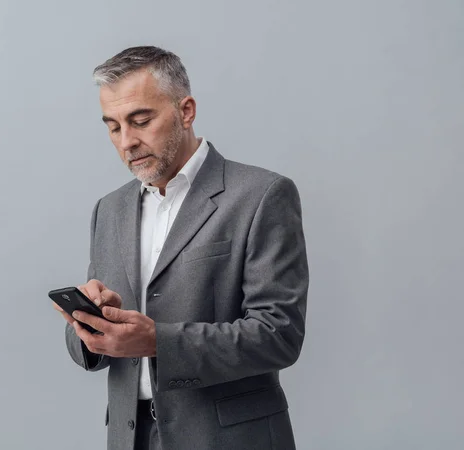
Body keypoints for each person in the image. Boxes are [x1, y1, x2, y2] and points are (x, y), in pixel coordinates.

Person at [53, 46, 309, 450]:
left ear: (185, 111)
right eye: (113, 126)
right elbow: (92, 348)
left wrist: (159, 342)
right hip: (130, 436)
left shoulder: (261, 195)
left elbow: (279, 334)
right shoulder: (110, 209)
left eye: (141, 121)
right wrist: (89, 324)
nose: (127, 142)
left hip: (228, 439)